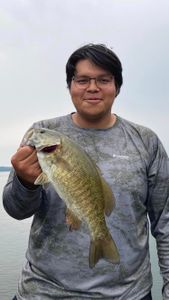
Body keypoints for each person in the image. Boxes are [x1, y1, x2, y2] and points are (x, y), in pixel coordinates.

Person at [3, 43, 169, 300]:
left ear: (117, 86)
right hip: (42, 292)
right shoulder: (43, 131)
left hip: (128, 294)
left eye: (103, 79)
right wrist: (26, 183)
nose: (93, 87)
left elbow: (166, 223)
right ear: (70, 86)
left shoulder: (146, 141)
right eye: (82, 80)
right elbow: (16, 210)